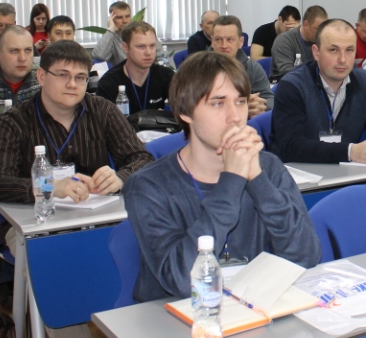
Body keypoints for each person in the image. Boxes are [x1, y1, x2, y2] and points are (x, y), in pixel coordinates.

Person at [0, 39, 152, 338]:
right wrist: (47, 187)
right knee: (54, 272)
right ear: (41, 77)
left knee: (144, 260)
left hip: (96, 220)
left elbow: (141, 158)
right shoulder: (15, 121)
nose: (73, 84)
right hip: (32, 229)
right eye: (62, 75)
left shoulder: (101, 110)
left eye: (80, 77)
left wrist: (121, 175)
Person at [125, 51, 321, 303]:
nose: (235, 116)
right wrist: (232, 179)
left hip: (250, 306)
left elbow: (306, 257)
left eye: (240, 101)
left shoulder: (268, 168)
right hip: (179, 315)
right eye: (218, 103)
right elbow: (183, 282)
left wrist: (257, 179)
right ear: (185, 112)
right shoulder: (148, 186)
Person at [271, 19, 366, 164]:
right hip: (298, 173)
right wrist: (350, 152)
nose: (342, 59)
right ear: (316, 52)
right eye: (333, 50)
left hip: (347, 172)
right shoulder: (293, 86)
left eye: (349, 50)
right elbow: (291, 147)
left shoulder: (365, 83)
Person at [96, 21, 175, 114]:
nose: (148, 52)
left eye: (152, 46)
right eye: (141, 46)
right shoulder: (109, 83)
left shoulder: (166, 76)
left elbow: (185, 111)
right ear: (125, 48)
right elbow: (104, 121)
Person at [208, 15, 273, 118]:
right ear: (212, 41)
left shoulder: (252, 67)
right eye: (218, 40)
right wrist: (240, 104)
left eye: (230, 40)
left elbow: (269, 98)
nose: (224, 45)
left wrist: (260, 105)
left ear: (241, 42)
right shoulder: (198, 68)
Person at [270, 5, 327, 80]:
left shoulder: (321, 41)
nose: (320, 33)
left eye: (323, 29)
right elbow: (287, 72)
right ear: (306, 24)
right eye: (317, 29)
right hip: (285, 82)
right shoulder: (284, 40)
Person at [91, 1, 132, 67]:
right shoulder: (111, 37)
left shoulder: (138, 34)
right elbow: (98, 56)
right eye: (119, 17)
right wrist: (111, 29)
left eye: (127, 16)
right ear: (111, 19)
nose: (125, 21)